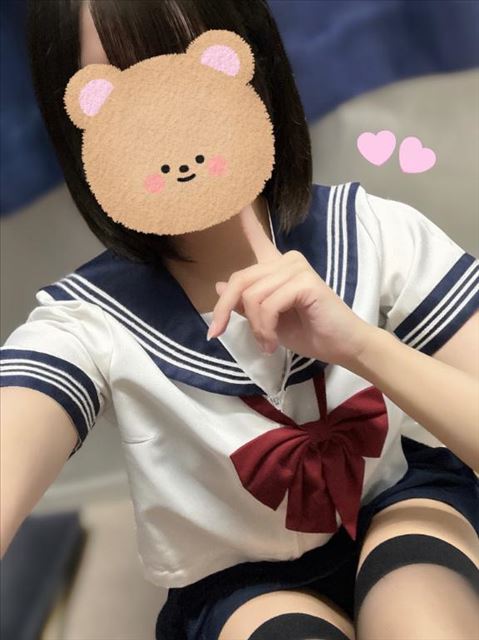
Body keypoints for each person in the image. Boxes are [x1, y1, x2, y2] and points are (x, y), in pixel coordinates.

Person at [1, 1, 478, 639]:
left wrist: (361, 345)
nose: (170, 119)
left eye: (186, 63)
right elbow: (25, 408)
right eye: (124, 86)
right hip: (240, 583)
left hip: (402, 504)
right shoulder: (87, 323)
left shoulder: (370, 232)